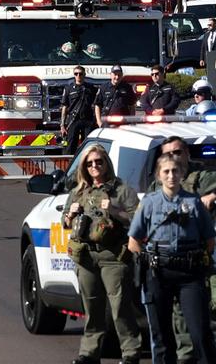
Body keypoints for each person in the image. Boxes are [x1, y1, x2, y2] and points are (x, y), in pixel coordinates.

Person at [129, 151, 216, 364]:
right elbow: (134, 241)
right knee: (161, 336)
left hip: (189, 274)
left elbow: (209, 241)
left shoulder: (194, 203)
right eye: (166, 171)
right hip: (158, 273)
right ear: (159, 176)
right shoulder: (149, 203)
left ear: (182, 174)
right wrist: (143, 265)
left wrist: (198, 262)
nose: (171, 175)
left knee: (200, 333)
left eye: (175, 171)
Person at [63, 144, 144, 364]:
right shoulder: (78, 192)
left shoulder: (122, 190)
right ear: (84, 167)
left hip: (113, 258)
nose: (94, 166)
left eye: (99, 161)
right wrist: (70, 215)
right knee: (92, 308)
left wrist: (115, 212)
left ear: (106, 162)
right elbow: (65, 223)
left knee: (120, 309)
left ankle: (130, 354)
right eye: (89, 163)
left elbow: (138, 220)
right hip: (86, 257)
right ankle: (89, 353)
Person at [60, 66, 98, 153]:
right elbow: (64, 107)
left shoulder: (91, 88)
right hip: (73, 120)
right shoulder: (68, 88)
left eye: (80, 74)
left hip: (87, 120)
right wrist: (62, 125)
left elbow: (97, 105)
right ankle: (70, 165)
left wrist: (96, 121)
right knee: (71, 147)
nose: (78, 76)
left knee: (88, 147)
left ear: (84, 75)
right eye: (76, 74)